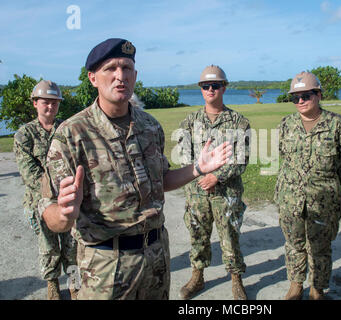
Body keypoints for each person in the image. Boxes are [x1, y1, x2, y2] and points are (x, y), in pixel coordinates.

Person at [38, 39, 232, 300]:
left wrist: (197, 168)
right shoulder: (72, 134)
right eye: (111, 68)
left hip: (156, 259)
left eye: (127, 68)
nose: (120, 76)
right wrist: (64, 214)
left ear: (136, 75)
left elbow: (161, 180)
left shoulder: (150, 126)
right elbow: (50, 212)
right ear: (92, 78)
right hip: (105, 268)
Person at [275, 72, 341, 300]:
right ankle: (295, 285)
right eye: (295, 97)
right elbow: (283, 157)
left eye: (306, 95)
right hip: (290, 198)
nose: (300, 101)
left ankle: (317, 288)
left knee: (320, 248)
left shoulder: (337, 126)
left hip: (323, 201)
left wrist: (327, 182)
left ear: (318, 95)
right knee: (293, 244)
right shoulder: (286, 125)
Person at [177, 65, 250, 300]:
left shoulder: (239, 122)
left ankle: (236, 280)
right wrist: (200, 174)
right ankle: (197, 277)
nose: (210, 89)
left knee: (230, 236)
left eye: (215, 85)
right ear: (200, 89)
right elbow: (183, 156)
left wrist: (216, 176)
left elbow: (242, 158)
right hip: (197, 192)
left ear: (224, 88)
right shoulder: (189, 122)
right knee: (197, 235)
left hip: (226, 193)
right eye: (206, 86)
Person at [14, 80, 78, 300]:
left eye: (54, 102)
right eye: (45, 102)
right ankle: (52, 285)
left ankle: (75, 284)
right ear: (35, 103)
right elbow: (29, 173)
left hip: (68, 201)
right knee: (49, 247)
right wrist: (58, 190)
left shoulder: (66, 128)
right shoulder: (24, 135)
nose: (50, 107)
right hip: (40, 203)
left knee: (73, 246)